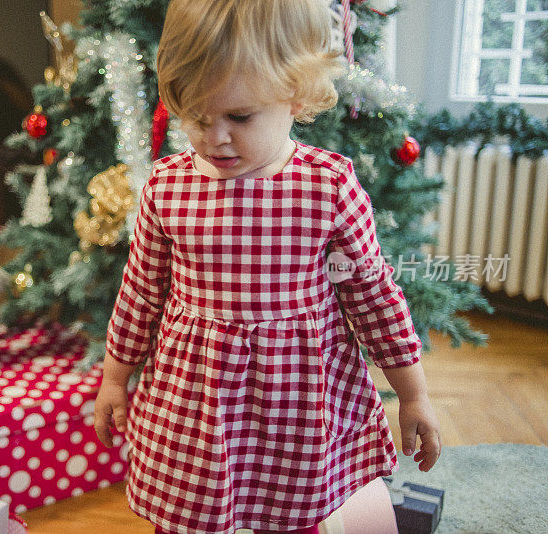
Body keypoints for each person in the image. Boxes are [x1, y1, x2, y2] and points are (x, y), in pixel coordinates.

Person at [93, 2, 442, 533]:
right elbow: (141, 290)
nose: (215, 139)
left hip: (297, 395)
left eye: (238, 116)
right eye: (197, 117)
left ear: (297, 95)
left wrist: (413, 394)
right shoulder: (167, 187)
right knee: (189, 510)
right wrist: (115, 378)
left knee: (294, 511)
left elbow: (371, 295)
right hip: (197, 394)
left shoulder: (327, 188)